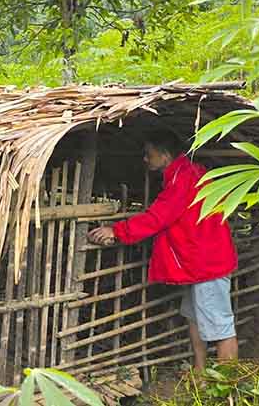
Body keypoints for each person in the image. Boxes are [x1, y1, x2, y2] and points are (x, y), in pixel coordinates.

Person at [87, 132, 238, 371]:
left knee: (220, 327)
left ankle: (228, 384)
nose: (145, 159)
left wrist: (116, 230)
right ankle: (200, 375)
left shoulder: (184, 178)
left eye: (149, 154)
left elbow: (157, 217)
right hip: (199, 261)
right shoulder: (187, 173)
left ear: (165, 155)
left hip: (207, 263)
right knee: (194, 317)